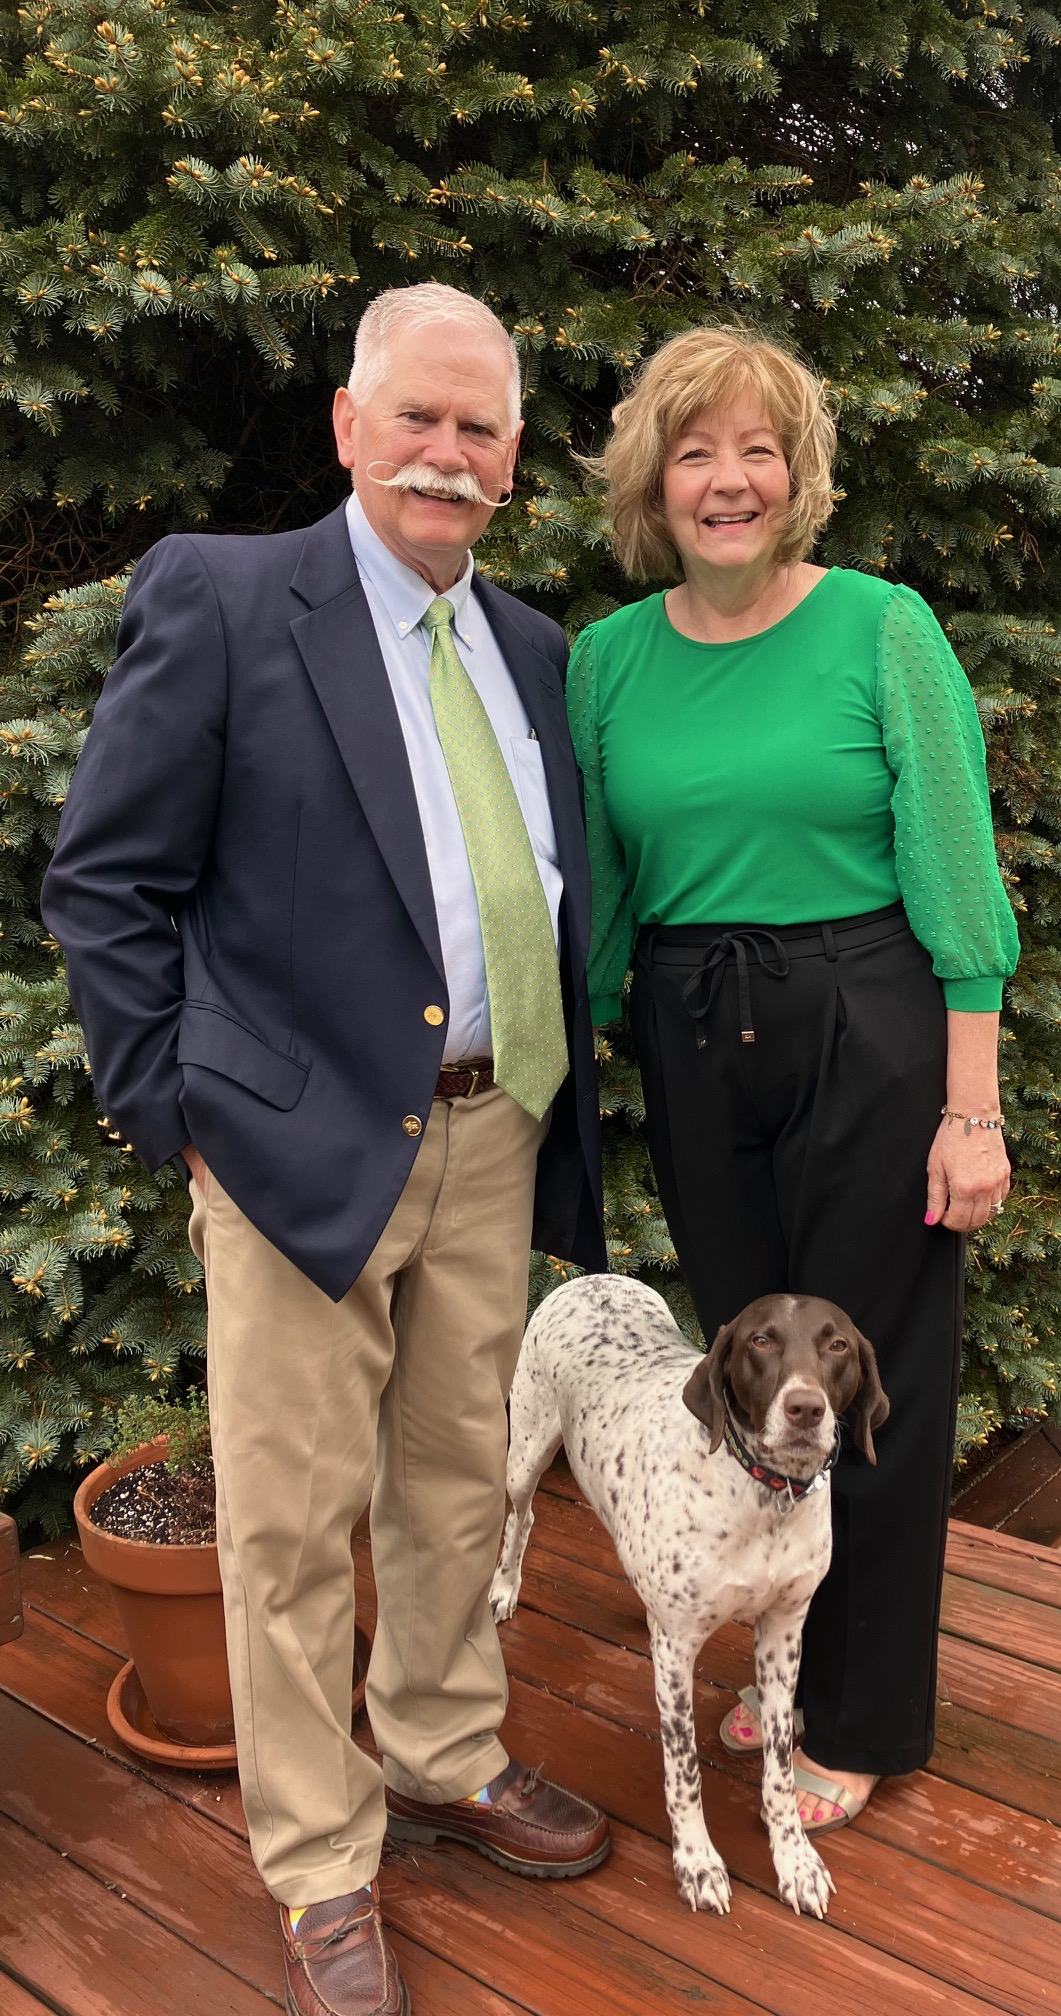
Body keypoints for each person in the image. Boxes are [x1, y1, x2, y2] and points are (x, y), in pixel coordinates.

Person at [44, 284, 610, 2016]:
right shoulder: (223, 599)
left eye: (482, 427)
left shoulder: (533, 651)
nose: (449, 453)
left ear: (515, 458)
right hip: (289, 1156)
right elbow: (106, 885)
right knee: (287, 1526)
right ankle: (321, 1864)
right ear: (350, 426)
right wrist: (183, 1120)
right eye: (418, 418)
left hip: (491, 1127)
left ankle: (441, 1750)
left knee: (455, 1481)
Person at [567, 326, 1020, 1833]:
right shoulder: (608, 661)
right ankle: (787, 1662)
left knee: (865, 1379)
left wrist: (973, 1108)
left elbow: (956, 878)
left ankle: (867, 1718)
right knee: (753, 1380)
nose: (729, 479)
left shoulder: (882, 630)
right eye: (696, 451)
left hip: (864, 1024)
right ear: (653, 480)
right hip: (694, 1033)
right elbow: (612, 892)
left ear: (798, 473)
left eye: (757, 449)